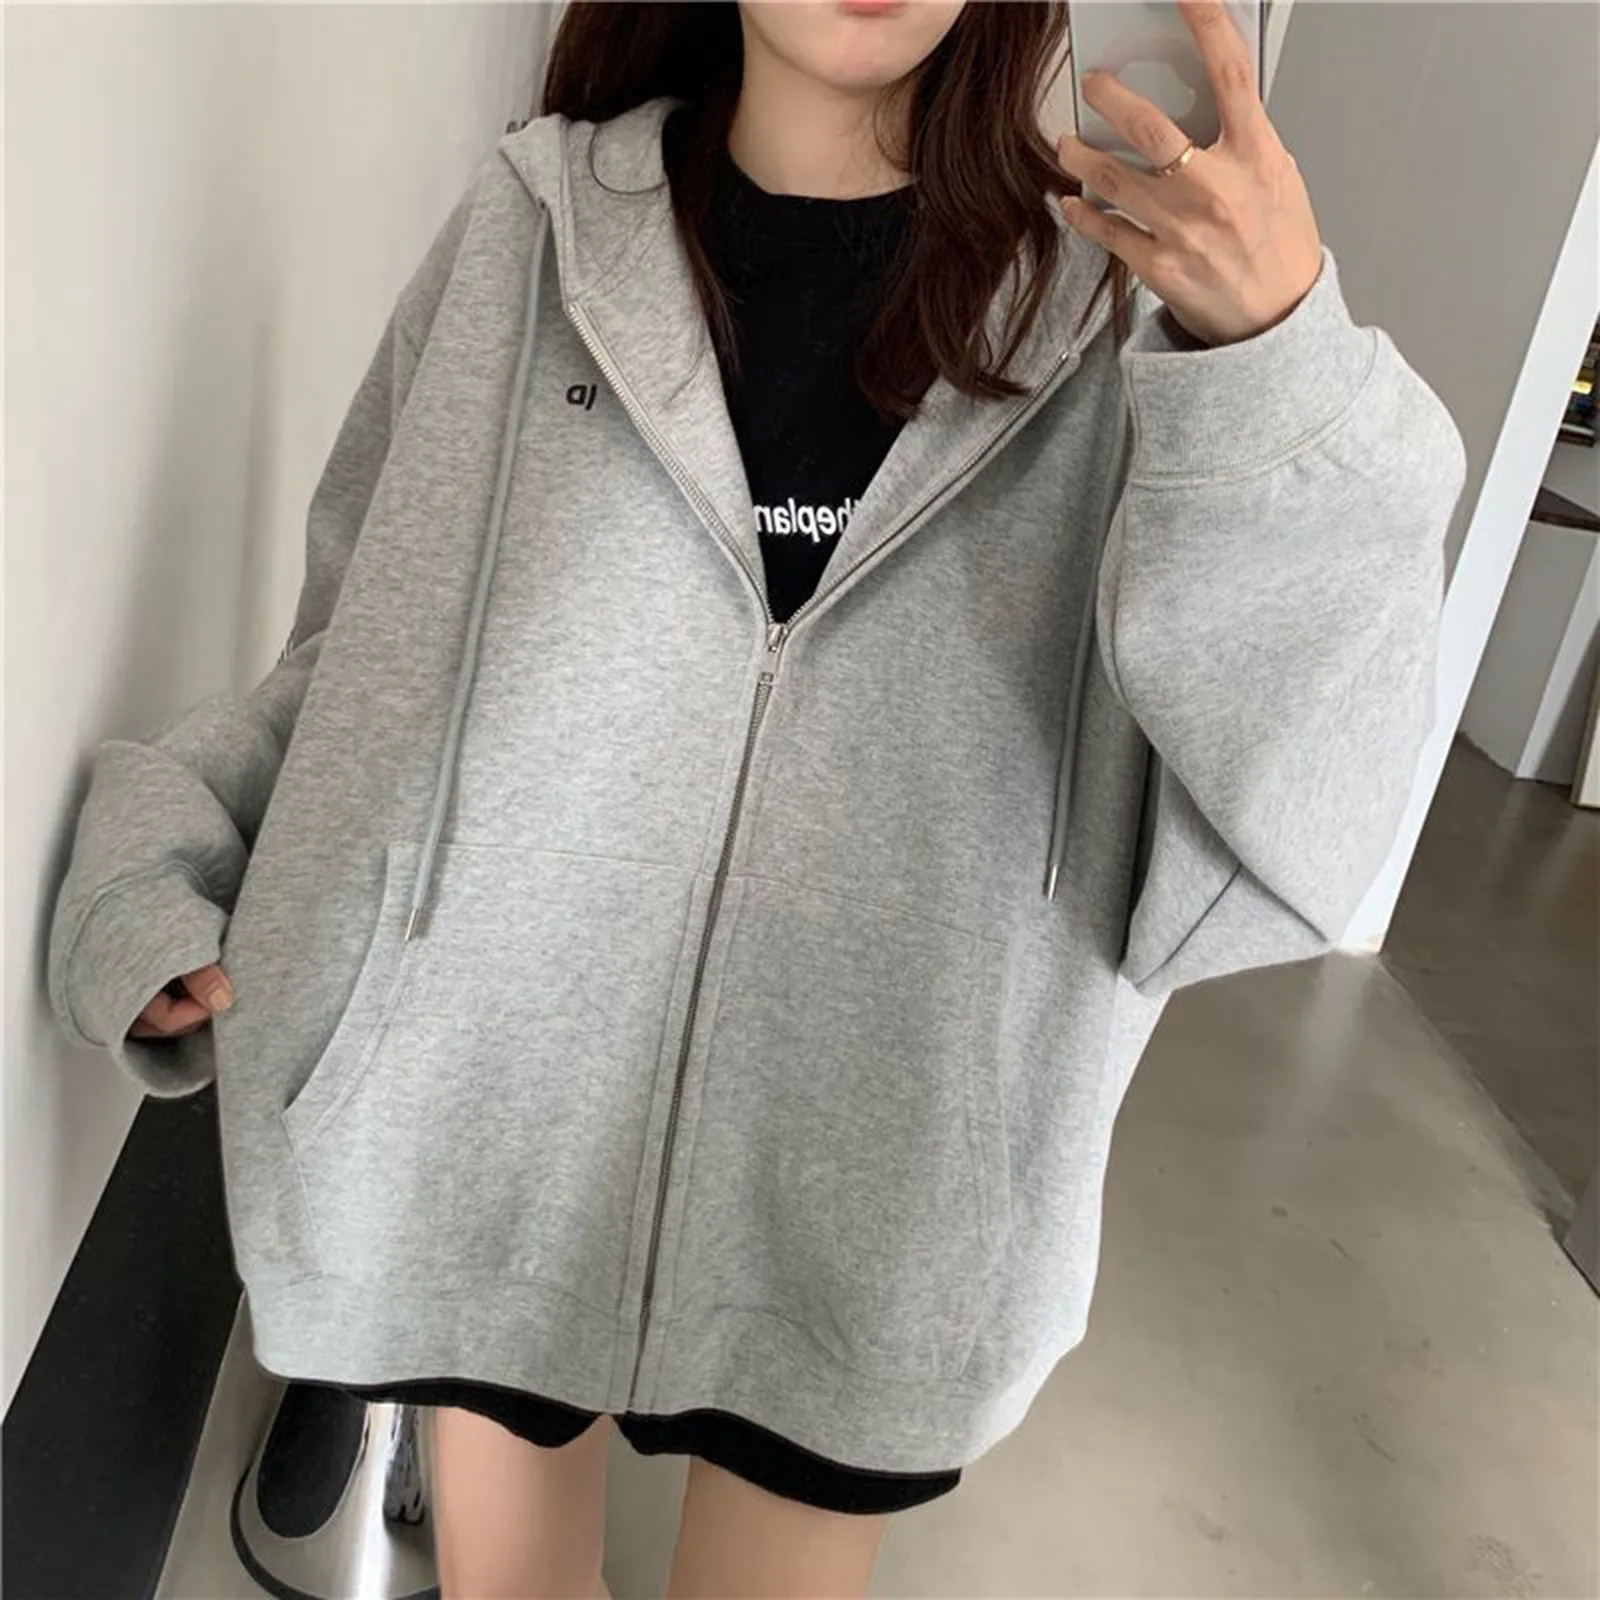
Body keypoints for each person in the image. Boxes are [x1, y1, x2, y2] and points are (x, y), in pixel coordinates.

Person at [47, 1, 1465, 1594]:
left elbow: (1303, 823)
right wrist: (165, 849)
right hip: (488, 1113)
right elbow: (364, 659)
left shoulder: (1119, 312)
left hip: (884, 1175)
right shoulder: (536, 229)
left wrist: (1277, 370)